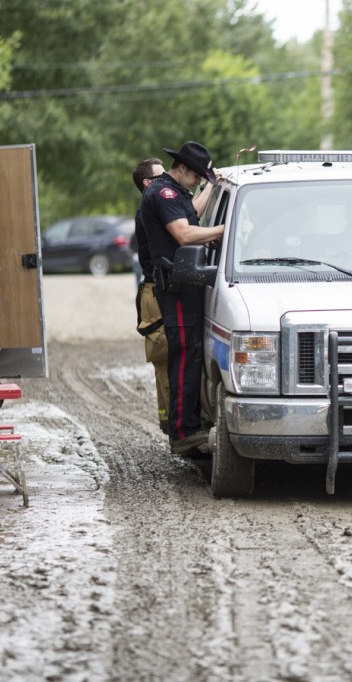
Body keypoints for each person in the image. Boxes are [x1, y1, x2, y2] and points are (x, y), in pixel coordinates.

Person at [140, 141, 225, 455]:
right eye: (197, 176)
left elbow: (191, 213)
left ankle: (187, 425)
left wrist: (212, 186)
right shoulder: (163, 194)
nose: (197, 181)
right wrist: (223, 229)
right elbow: (184, 233)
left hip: (184, 285)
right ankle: (182, 433)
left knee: (190, 356)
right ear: (184, 169)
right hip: (176, 287)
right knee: (184, 356)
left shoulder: (174, 193)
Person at [131, 157, 170, 435]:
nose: (167, 178)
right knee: (165, 360)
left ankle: (174, 423)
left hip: (157, 292)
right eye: (162, 175)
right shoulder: (150, 211)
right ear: (149, 184)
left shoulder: (156, 207)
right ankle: (171, 427)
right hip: (155, 295)